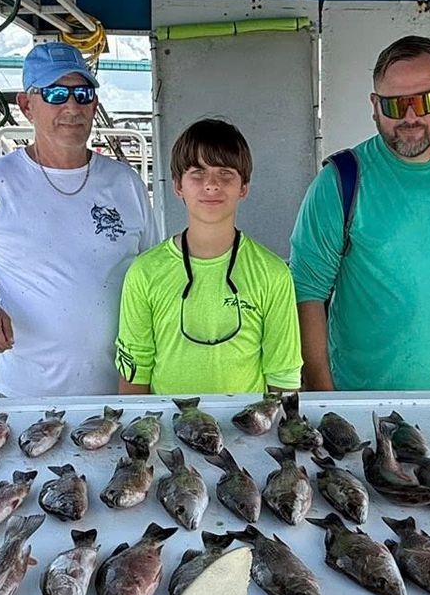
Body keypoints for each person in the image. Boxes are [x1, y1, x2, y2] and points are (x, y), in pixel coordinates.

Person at [0, 41, 152, 397]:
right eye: (54, 93)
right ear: (26, 105)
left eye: (82, 93)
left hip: (120, 393)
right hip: (24, 395)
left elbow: (156, 271)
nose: (71, 106)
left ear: (95, 103)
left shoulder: (125, 183)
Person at [288, 35, 430, 391]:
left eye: (424, 100)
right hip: (357, 402)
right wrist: (328, 402)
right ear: (374, 105)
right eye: (394, 105)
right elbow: (306, 295)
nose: (411, 117)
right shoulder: (339, 181)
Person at [115, 118, 301, 396]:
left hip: (248, 431)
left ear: (244, 187)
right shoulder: (144, 272)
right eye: (197, 173)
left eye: (225, 173)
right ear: (178, 186)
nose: (212, 185)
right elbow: (135, 370)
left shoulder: (273, 274)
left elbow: (283, 377)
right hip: (168, 431)